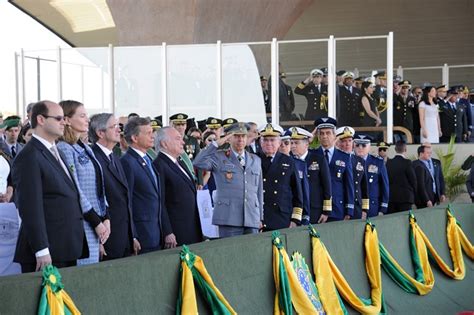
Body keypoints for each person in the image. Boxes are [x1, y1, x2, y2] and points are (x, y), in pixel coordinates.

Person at [12, 100, 88, 273]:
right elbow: (30, 207)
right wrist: (41, 249)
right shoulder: (29, 156)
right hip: (47, 253)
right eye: (59, 118)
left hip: (66, 246)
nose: (64, 122)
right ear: (40, 119)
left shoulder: (56, 151)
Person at [57, 100, 109, 265]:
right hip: (83, 222)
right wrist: (96, 220)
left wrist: (106, 216)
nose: (87, 120)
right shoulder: (64, 148)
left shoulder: (85, 147)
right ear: (66, 120)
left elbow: (99, 185)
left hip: (96, 222)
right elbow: (75, 189)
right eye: (82, 115)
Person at [193, 122, 263, 237]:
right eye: (236, 136)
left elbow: (259, 191)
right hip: (228, 218)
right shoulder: (219, 157)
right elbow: (198, 162)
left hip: (252, 218)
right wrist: (215, 144)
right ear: (228, 138)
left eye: (243, 136)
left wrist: (259, 217)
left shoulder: (255, 159)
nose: (240, 139)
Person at [89, 113, 141, 259]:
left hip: (123, 237)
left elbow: (125, 200)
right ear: (100, 133)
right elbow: (93, 199)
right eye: (114, 127)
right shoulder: (93, 159)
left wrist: (133, 236)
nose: (119, 130)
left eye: (119, 126)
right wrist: (98, 241)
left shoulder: (114, 157)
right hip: (107, 239)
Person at [121, 117, 174, 252]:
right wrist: (133, 236)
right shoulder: (128, 162)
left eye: (153, 132)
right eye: (148, 133)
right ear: (134, 138)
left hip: (156, 232)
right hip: (142, 234)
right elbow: (127, 202)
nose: (153, 136)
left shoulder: (148, 159)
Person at [153, 127, 203, 245]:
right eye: (178, 139)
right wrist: (167, 231)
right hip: (177, 231)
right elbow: (161, 202)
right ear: (164, 143)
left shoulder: (180, 162)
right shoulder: (159, 165)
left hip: (192, 227)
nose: (183, 142)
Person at [258, 123, 303, 230]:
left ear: (279, 142)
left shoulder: (288, 161)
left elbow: (297, 192)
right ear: (261, 142)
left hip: (282, 217)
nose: (269, 143)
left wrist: (295, 219)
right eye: (265, 140)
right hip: (260, 217)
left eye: (272, 140)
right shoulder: (254, 159)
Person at [313, 117, 354, 221]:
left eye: (328, 133)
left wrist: (349, 210)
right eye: (321, 133)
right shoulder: (311, 155)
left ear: (334, 135)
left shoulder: (344, 157)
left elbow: (348, 184)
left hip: (337, 208)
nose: (324, 136)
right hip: (317, 208)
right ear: (318, 136)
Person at [290, 126, 332, 224]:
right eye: (291, 143)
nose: (293, 146)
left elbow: (327, 185)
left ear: (306, 144)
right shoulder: (288, 161)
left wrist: (326, 211)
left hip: (314, 208)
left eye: (296, 143)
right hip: (295, 209)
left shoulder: (319, 159)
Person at [335, 126, 369, 220]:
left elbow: (364, 187)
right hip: (340, 205)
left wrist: (365, 209)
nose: (347, 144)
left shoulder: (360, 161)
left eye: (350, 141)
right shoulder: (334, 159)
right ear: (337, 143)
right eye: (343, 141)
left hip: (357, 206)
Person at [353, 134, 389, 217]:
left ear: (369, 147)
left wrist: (383, 208)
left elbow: (384, 185)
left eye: (364, 145)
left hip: (372, 207)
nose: (360, 148)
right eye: (357, 145)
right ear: (353, 146)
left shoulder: (378, 162)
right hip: (355, 206)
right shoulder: (349, 161)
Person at [386, 141, 417, 213]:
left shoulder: (389, 162)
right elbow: (413, 180)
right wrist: (414, 194)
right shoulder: (407, 162)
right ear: (405, 149)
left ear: (395, 149)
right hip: (405, 198)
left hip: (391, 197)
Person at [413, 144, 446, 209]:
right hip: (423, 200)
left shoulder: (436, 162)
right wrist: (426, 200)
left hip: (436, 197)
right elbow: (420, 185)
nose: (430, 154)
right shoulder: (416, 165)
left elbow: (440, 179)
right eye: (428, 153)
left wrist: (442, 193)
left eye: (430, 153)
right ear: (421, 154)